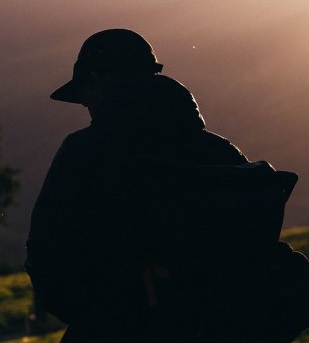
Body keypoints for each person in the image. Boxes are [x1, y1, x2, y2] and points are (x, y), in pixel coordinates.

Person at [25, 28, 249, 342]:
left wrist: (98, 318)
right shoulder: (221, 152)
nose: (86, 107)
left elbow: (47, 256)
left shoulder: (85, 153)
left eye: (85, 95)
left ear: (97, 82)